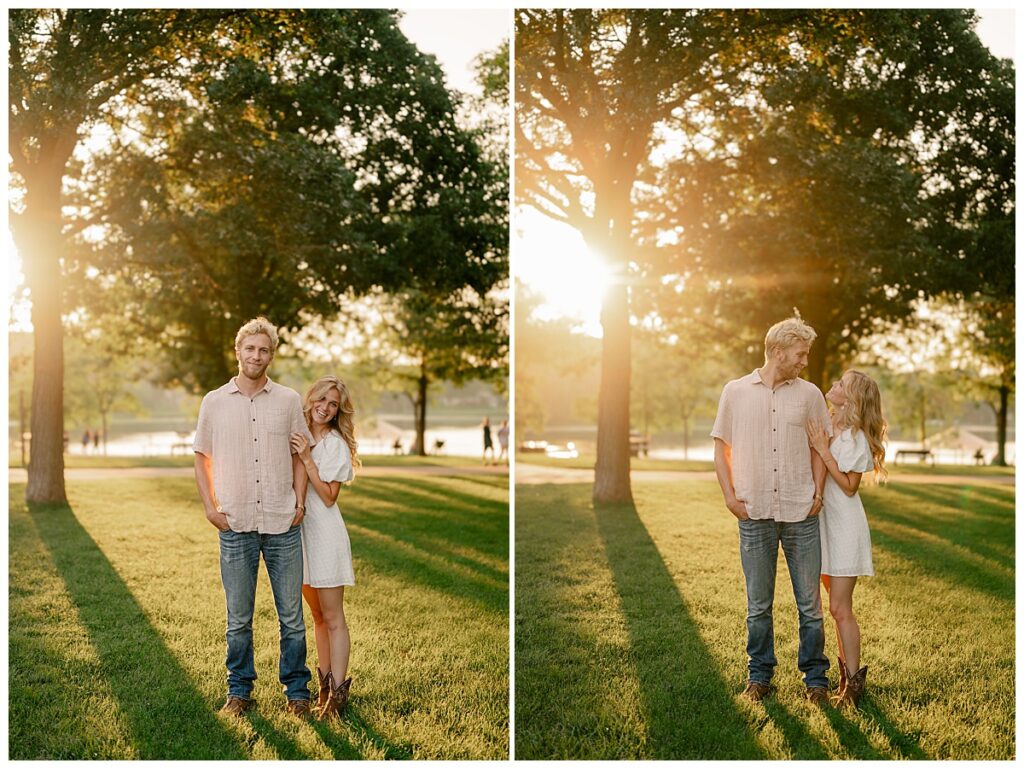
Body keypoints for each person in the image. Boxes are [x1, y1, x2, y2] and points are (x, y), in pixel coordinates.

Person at [193, 316, 315, 718]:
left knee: (292, 618)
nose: (256, 356)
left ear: (271, 356)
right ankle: (239, 692)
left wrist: (298, 503)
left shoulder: (288, 400)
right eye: (250, 348)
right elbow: (201, 458)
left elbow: (301, 454)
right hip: (236, 524)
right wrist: (212, 508)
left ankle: (297, 693)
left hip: (283, 522)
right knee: (238, 619)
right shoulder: (213, 401)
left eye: (264, 350)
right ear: (238, 351)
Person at [711, 317, 832, 706]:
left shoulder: (811, 394)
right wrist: (730, 497)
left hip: (801, 511)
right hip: (755, 511)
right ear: (777, 352)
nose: (804, 361)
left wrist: (818, 493)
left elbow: (819, 447)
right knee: (758, 605)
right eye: (800, 354)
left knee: (810, 606)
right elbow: (720, 447)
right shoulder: (735, 392)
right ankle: (759, 677)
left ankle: (816, 680)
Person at [806, 370, 887, 708]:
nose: (834, 385)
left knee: (841, 608)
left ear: (851, 397)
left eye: (841, 384)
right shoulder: (830, 423)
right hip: (824, 526)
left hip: (845, 528)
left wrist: (825, 451)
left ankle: (854, 685)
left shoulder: (853, 437)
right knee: (833, 608)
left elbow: (851, 487)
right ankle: (845, 679)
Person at [290, 375, 359, 719]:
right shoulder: (299, 433)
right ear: (311, 398)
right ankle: (323, 687)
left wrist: (307, 458)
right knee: (316, 616)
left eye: (333, 404)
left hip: (326, 536)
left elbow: (330, 497)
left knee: (333, 617)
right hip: (300, 537)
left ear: (337, 411)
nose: (325, 407)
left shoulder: (334, 445)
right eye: (321, 399)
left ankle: (338, 695)